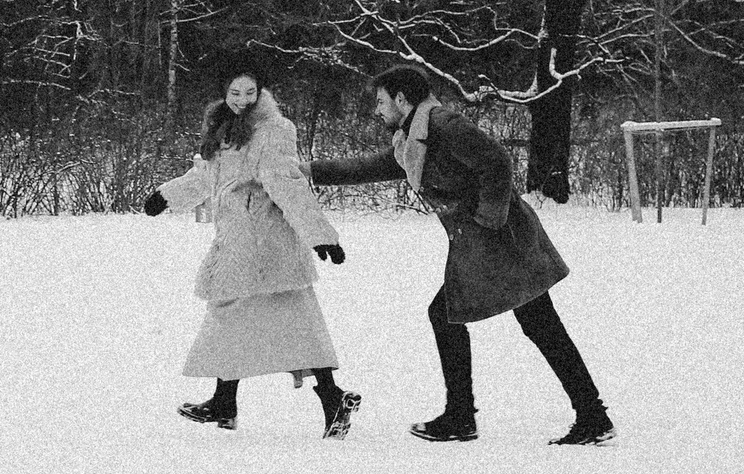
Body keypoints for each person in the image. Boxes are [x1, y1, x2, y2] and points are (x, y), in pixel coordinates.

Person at [309, 66, 614, 445]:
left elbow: (497, 161)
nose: (377, 109)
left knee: (465, 316)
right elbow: (376, 166)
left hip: (500, 238)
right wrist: (310, 171)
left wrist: (489, 219)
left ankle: (465, 416)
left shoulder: (442, 124)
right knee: (533, 322)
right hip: (484, 241)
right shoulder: (412, 138)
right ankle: (587, 415)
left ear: (402, 99)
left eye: (381, 101)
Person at [142, 64, 359, 436]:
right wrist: (168, 195)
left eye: (250, 93)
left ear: (261, 92)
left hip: (263, 244)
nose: (242, 101)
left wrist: (320, 235)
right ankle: (231, 401)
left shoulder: (272, 130)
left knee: (264, 320)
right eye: (235, 93)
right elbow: (207, 177)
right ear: (224, 93)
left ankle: (321, 398)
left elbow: (287, 184)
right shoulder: (223, 127)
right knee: (263, 322)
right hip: (239, 242)